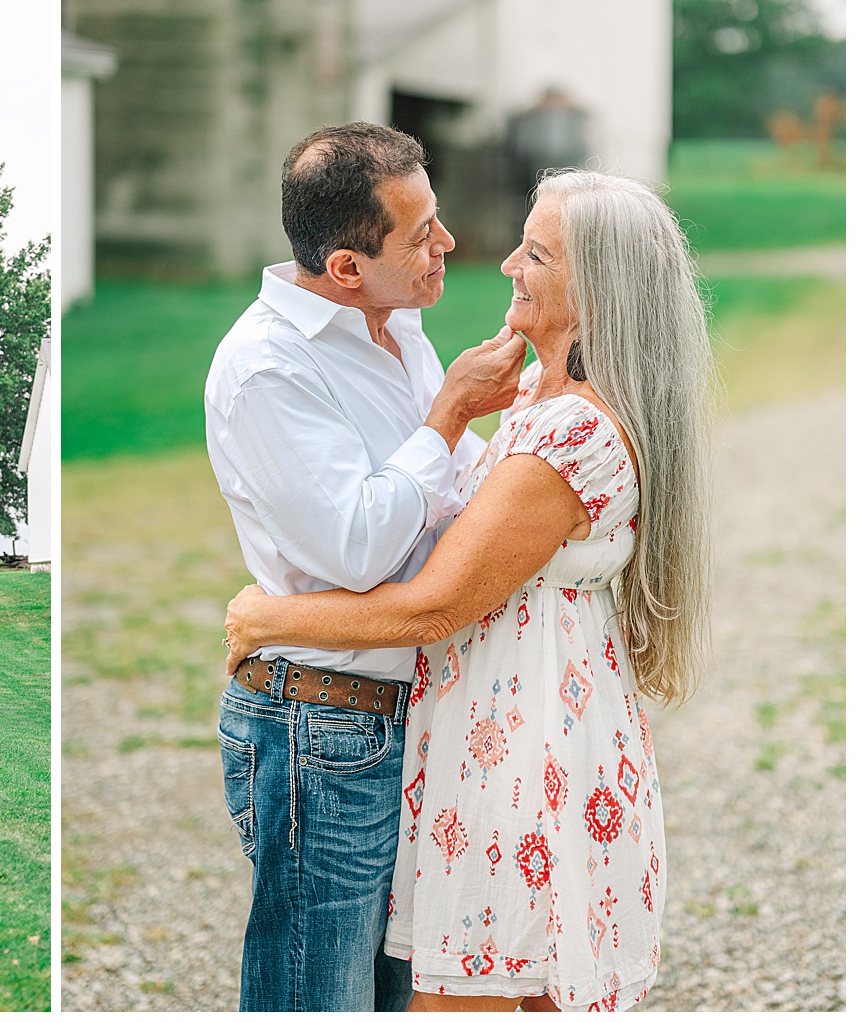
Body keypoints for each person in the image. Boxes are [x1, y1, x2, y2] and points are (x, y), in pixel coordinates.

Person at [224, 169, 713, 1011]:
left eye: (535, 254)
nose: (503, 265)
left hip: (524, 752)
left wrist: (268, 616)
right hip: (504, 732)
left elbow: (437, 603)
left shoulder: (573, 431)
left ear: (593, 287)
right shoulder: (531, 391)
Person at [204, 122, 528, 1011]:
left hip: (404, 713)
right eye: (421, 233)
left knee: (394, 990)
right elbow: (357, 548)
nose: (448, 245)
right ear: (347, 266)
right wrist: (451, 414)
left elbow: (449, 493)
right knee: (318, 993)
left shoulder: (398, 329)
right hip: (322, 725)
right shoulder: (269, 368)